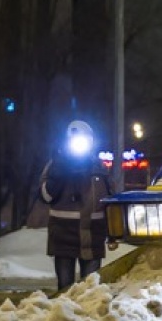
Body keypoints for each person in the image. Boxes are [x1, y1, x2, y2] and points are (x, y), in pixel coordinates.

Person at [40, 120, 111, 292]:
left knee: (91, 291)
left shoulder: (98, 168)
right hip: (63, 238)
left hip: (93, 237)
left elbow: (109, 201)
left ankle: (87, 318)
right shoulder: (56, 165)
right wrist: (58, 175)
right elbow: (45, 196)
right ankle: (65, 318)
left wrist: (113, 232)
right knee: (65, 290)